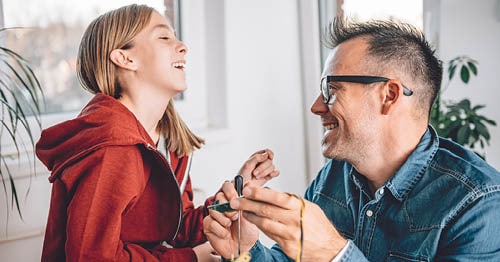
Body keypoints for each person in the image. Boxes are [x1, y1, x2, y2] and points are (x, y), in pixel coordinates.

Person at [204, 18, 500, 261]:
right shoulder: (334, 176)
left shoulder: (478, 203)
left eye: (332, 89)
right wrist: (245, 252)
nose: (316, 106)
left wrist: (336, 254)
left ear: (389, 95)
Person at [35, 4, 279, 261]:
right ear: (126, 58)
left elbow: (178, 227)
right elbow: (91, 256)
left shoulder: (167, 139)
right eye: (164, 37)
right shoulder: (112, 149)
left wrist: (235, 195)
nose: (183, 46)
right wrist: (193, 258)